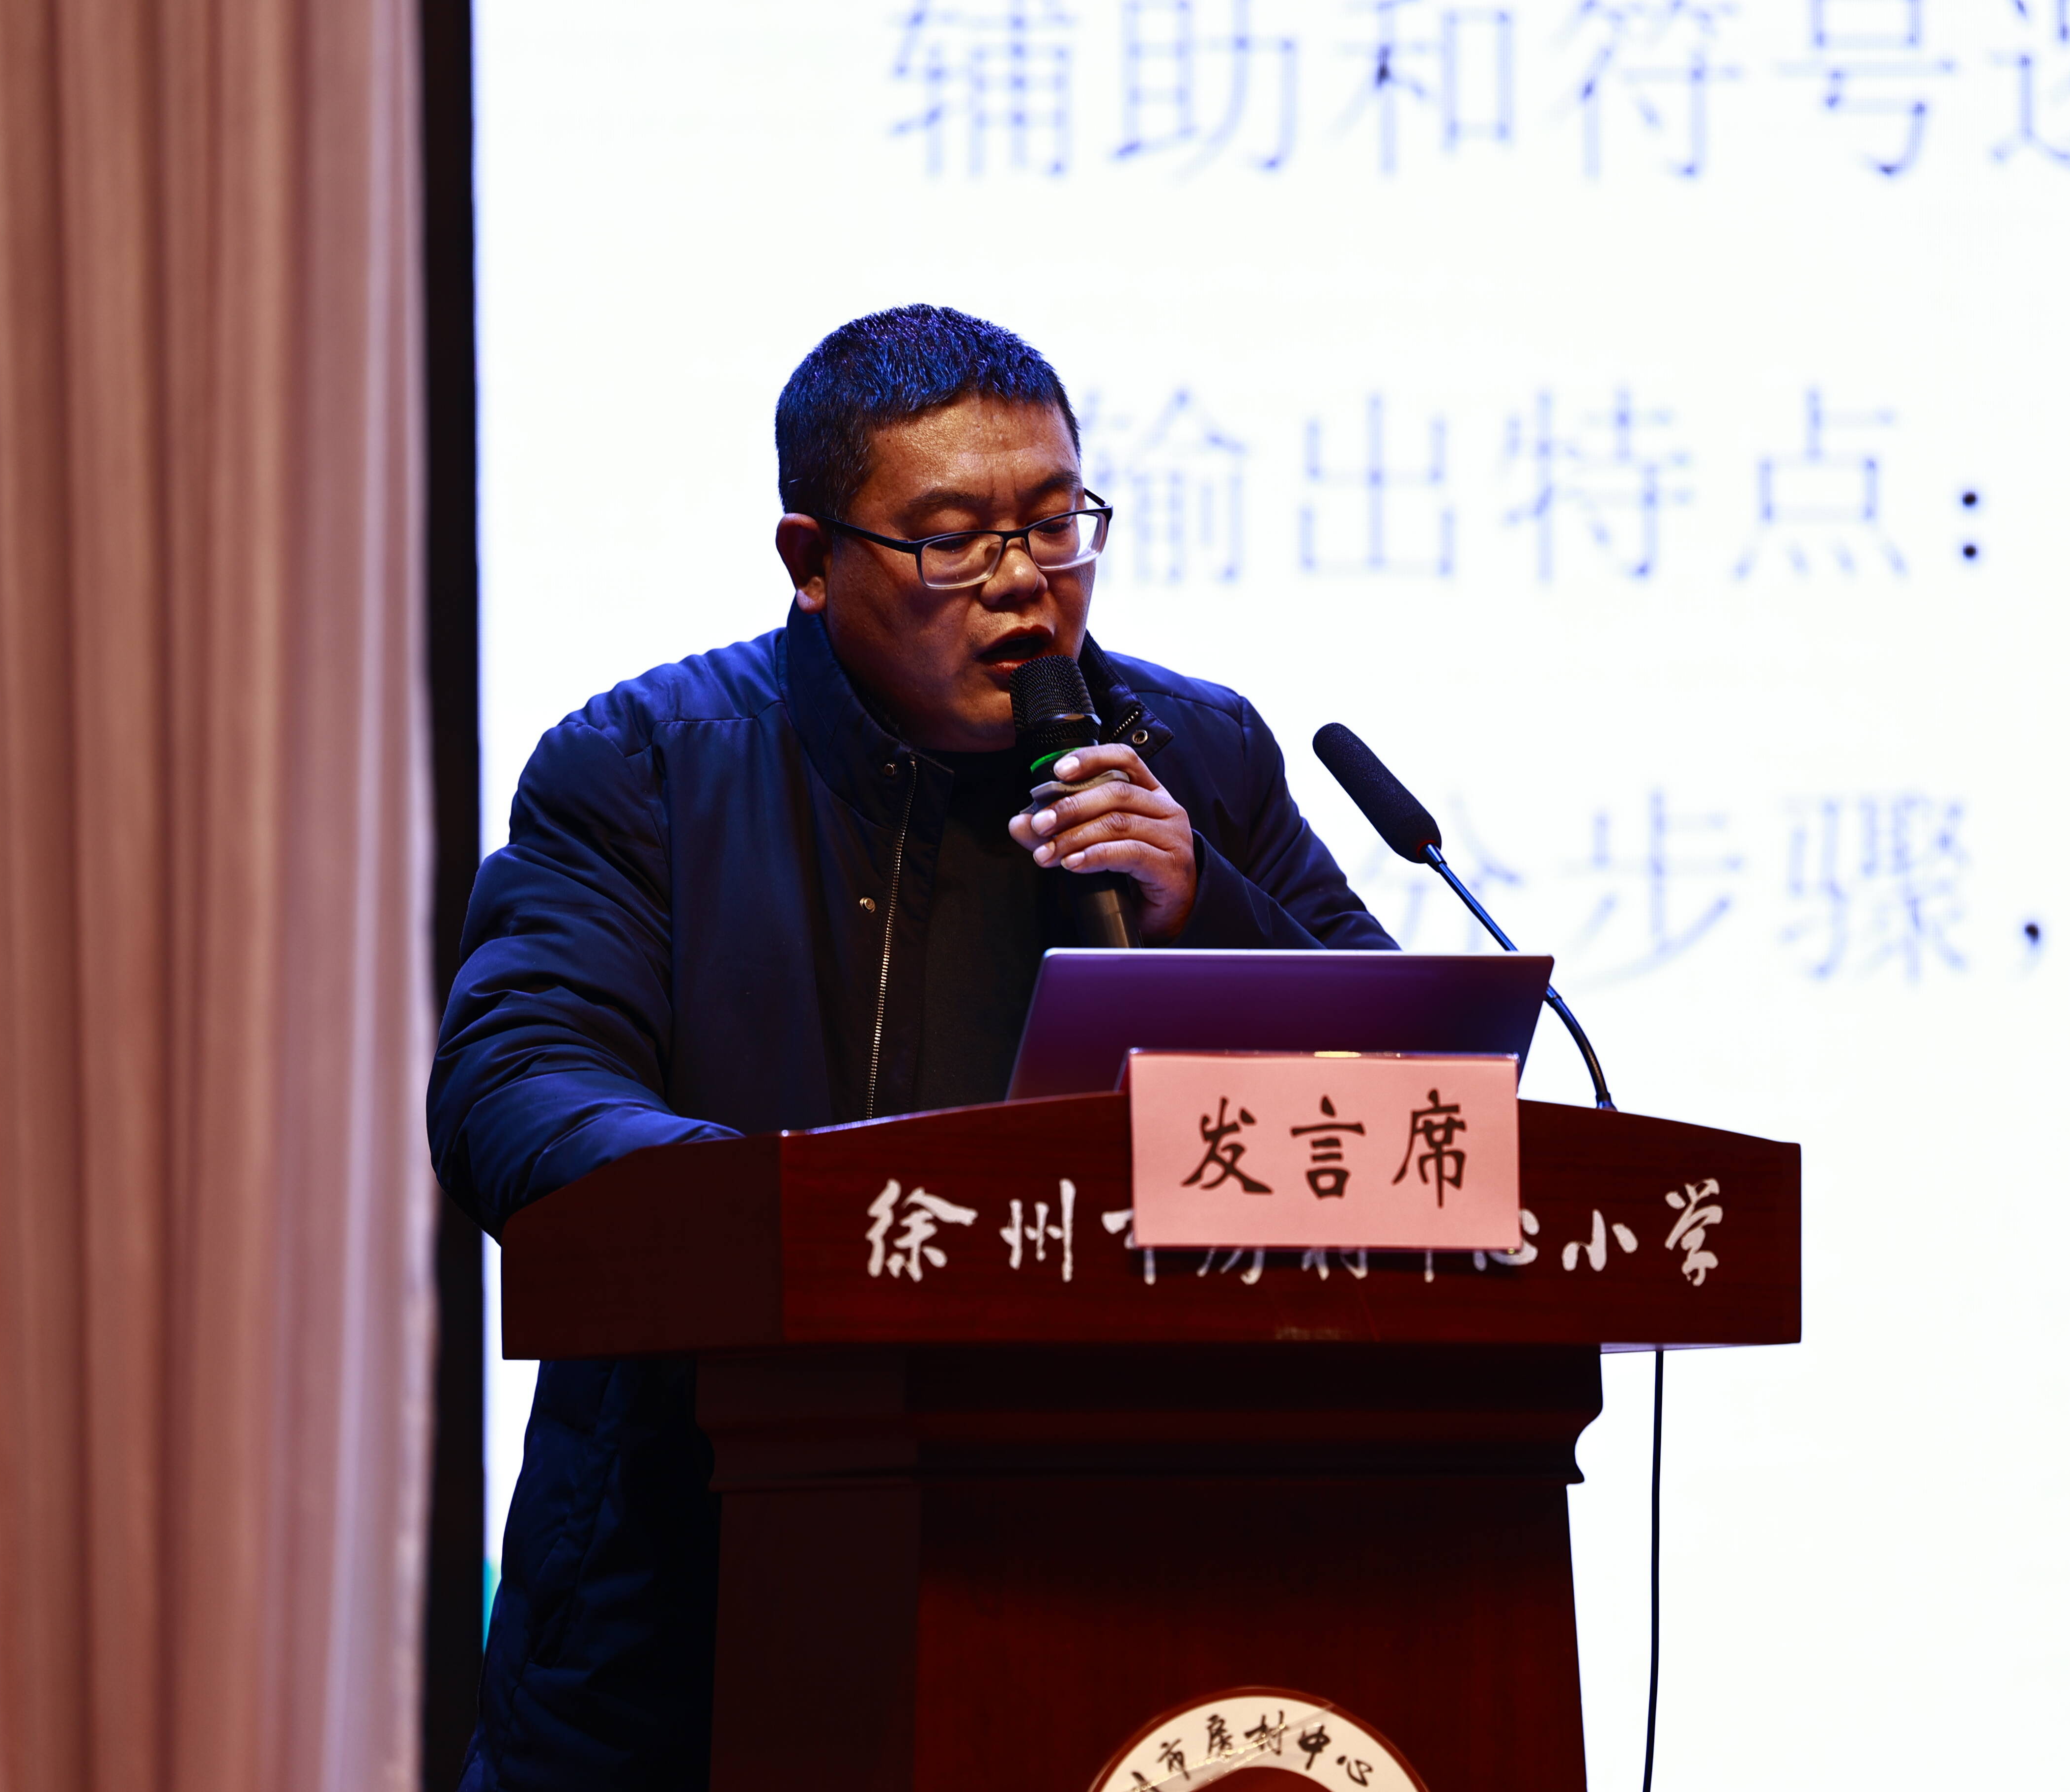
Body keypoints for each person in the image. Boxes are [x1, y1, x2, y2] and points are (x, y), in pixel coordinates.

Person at [429, 305, 1393, 1790]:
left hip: (1144, 1576)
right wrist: (798, 1219)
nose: (1023, 583)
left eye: (1057, 526)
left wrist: (1208, 906)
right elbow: (518, 1086)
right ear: (811, 561)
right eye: (951, 542)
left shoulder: (1197, 755)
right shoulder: (646, 767)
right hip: (702, 1592)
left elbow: (1410, 1084)